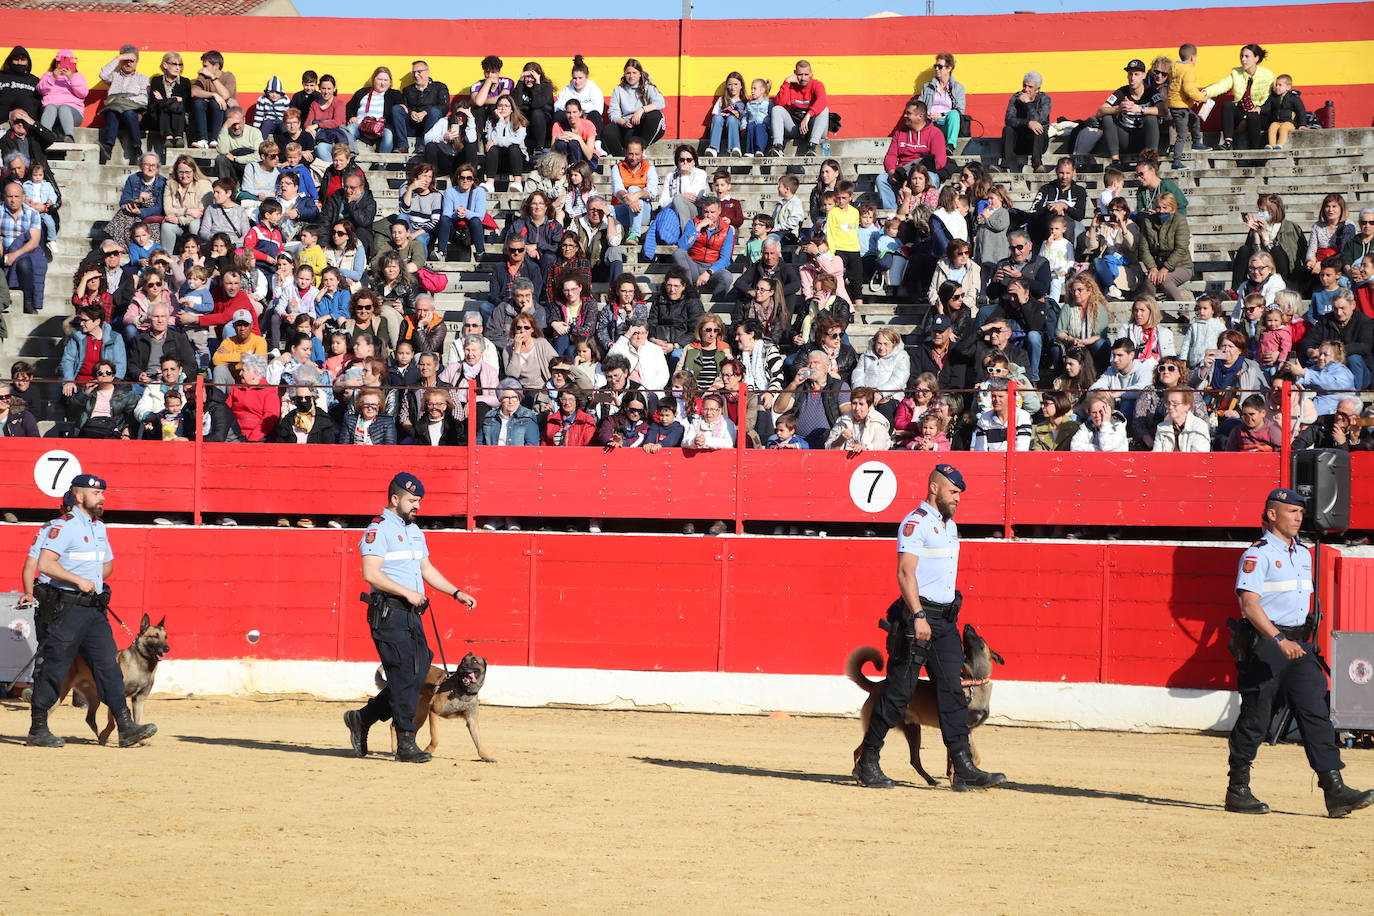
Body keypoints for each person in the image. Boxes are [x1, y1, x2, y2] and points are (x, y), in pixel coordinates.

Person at [852, 464, 1006, 790]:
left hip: (946, 621)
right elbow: (905, 573)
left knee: (952, 691)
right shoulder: (915, 523)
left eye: (960, 493)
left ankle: (963, 767)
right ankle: (867, 762)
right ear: (934, 488)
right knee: (898, 693)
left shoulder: (949, 527)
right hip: (917, 617)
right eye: (954, 491)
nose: (958, 498)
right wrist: (919, 615)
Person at [1225, 488, 1374, 817]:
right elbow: (1248, 605)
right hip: (1266, 645)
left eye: (1300, 512)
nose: (1298, 517)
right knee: (1255, 718)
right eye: (1291, 512)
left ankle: (1334, 791)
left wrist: (1297, 641)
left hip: (1298, 644)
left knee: (1315, 714)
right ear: (1272, 515)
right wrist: (1279, 639)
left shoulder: (1303, 554)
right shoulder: (1257, 554)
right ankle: (1238, 790)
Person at [343, 473, 476, 764]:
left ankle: (363, 717)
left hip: (412, 613)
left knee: (418, 670)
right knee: (405, 674)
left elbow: (426, 568)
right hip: (389, 611)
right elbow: (371, 573)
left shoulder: (415, 531)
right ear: (395, 499)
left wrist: (455, 592)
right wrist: (408, 592)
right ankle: (405, 741)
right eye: (412, 500)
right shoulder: (378, 529)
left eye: (419, 501)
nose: (418, 506)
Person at [25, 474, 159, 749]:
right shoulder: (64, 527)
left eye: (103, 494)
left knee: (109, 666)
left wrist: (95, 579)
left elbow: (107, 565)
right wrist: (78, 580)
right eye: (96, 494)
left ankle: (125, 727)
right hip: (66, 608)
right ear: (79, 495)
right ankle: (38, 728)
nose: (102, 498)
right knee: (54, 667)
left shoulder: (99, 528)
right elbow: (45, 565)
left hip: (94, 610)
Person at [878, 100, 947, 211]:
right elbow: (890, 156)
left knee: (931, 177)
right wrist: (892, 173)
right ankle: (892, 215)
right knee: (882, 179)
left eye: (908, 113)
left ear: (920, 116)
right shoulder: (899, 133)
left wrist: (916, 174)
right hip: (902, 174)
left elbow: (939, 161)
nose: (905, 116)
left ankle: (926, 212)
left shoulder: (935, 133)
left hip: (923, 173)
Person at [1204, 44, 1274, 151]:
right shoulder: (1236, 72)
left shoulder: (1267, 75)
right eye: (1241, 56)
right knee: (1227, 105)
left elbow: (1269, 100)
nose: (1243, 59)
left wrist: (1258, 110)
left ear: (1256, 58)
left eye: (1247, 56)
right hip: (1242, 112)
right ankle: (1228, 142)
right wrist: (1205, 93)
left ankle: (1254, 150)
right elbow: (1222, 85)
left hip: (1260, 114)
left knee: (1252, 116)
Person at [1097, 59, 1162, 166]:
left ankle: (1152, 161)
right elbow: (1100, 111)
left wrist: (1141, 110)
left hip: (1143, 138)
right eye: (1130, 74)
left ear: (1144, 75)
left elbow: (1163, 111)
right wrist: (1118, 109)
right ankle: (1115, 160)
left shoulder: (1151, 91)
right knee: (1107, 117)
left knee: (1151, 118)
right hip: (1124, 138)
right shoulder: (1121, 92)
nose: (1133, 78)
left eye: (1136, 74)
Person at [767, 60, 828, 157]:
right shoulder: (790, 86)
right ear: (795, 73)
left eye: (806, 74)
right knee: (776, 109)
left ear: (811, 73)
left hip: (813, 128)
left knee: (824, 109)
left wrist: (808, 116)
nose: (803, 78)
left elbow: (822, 101)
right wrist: (786, 83)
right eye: (800, 74)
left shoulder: (817, 85)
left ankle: (812, 147)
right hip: (796, 128)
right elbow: (779, 103)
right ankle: (778, 147)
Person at [389, 60, 449, 155]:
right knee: (396, 109)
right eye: (413, 72)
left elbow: (444, 107)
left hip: (430, 125)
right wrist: (411, 112)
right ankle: (402, 145)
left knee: (435, 111)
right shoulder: (408, 90)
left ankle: (423, 146)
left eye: (419, 72)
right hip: (412, 125)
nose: (416, 75)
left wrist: (426, 112)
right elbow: (404, 106)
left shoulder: (439, 87)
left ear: (427, 72)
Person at [2, 179, 44, 313]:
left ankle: (28, 302)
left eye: (16, 196)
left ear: (23, 197)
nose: (13, 200)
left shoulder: (32, 213)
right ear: (4, 196)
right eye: (10, 196)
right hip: (4, 250)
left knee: (24, 263)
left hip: (25, 251)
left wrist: (14, 255)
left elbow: (34, 241)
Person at [1001, 72, 1051, 172]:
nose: (1026, 89)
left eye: (1030, 87)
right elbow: (1008, 119)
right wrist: (1027, 123)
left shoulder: (1045, 99)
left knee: (1037, 128)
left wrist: (1028, 103)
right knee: (1008, 129)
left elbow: (1039, 120)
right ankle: (1005, 165)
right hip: (1019, 141)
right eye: (1024, 85)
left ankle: (1037, 166)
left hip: (1037, 143)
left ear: (1037, 89)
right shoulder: (1016, 98)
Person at [920, 52, 966, 153]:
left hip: (946, 123)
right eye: (935, 66)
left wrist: (941, 115)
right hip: (930, 122)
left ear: (949, 68)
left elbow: (960, 110)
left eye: (940, 66)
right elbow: (919, 105)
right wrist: (926, 114)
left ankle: (950, 145)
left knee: (954, 113)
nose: (936, 69)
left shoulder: (958, 88)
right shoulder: (927, 87)